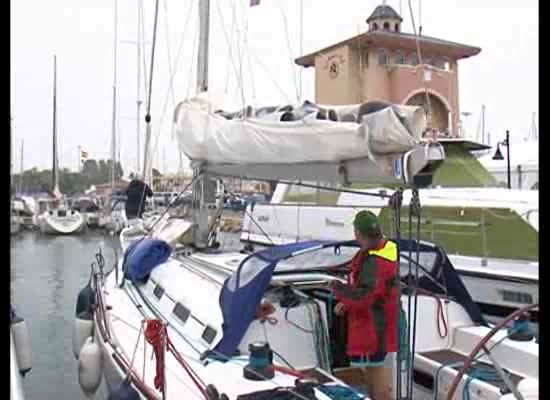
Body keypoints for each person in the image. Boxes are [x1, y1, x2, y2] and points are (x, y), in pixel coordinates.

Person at [330, 210, 399, 400]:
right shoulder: (380, 251)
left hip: (374, 328)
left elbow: (364, 296)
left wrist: (337, 290)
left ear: (358, 234)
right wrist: (346, 300)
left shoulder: (375, 261)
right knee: (372, 371)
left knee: (376, 375)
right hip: (378, 324)